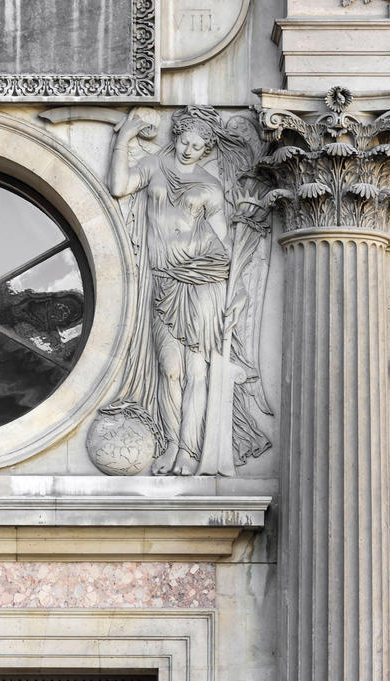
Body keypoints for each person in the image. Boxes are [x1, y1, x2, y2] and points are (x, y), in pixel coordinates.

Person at [107, 106, 242, 475]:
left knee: (197, 372)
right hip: (164, 279)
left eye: (197, 146)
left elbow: (224, 242)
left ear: (206, 149)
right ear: (177, 136)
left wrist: (238, 286)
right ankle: (170, 443)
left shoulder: (210, 187)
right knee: (170, 369)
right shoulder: (154, 166)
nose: (188, 150)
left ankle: (188, 451)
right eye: (184, 142)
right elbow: (118, 187)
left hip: (204, 280)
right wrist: (124, 138)